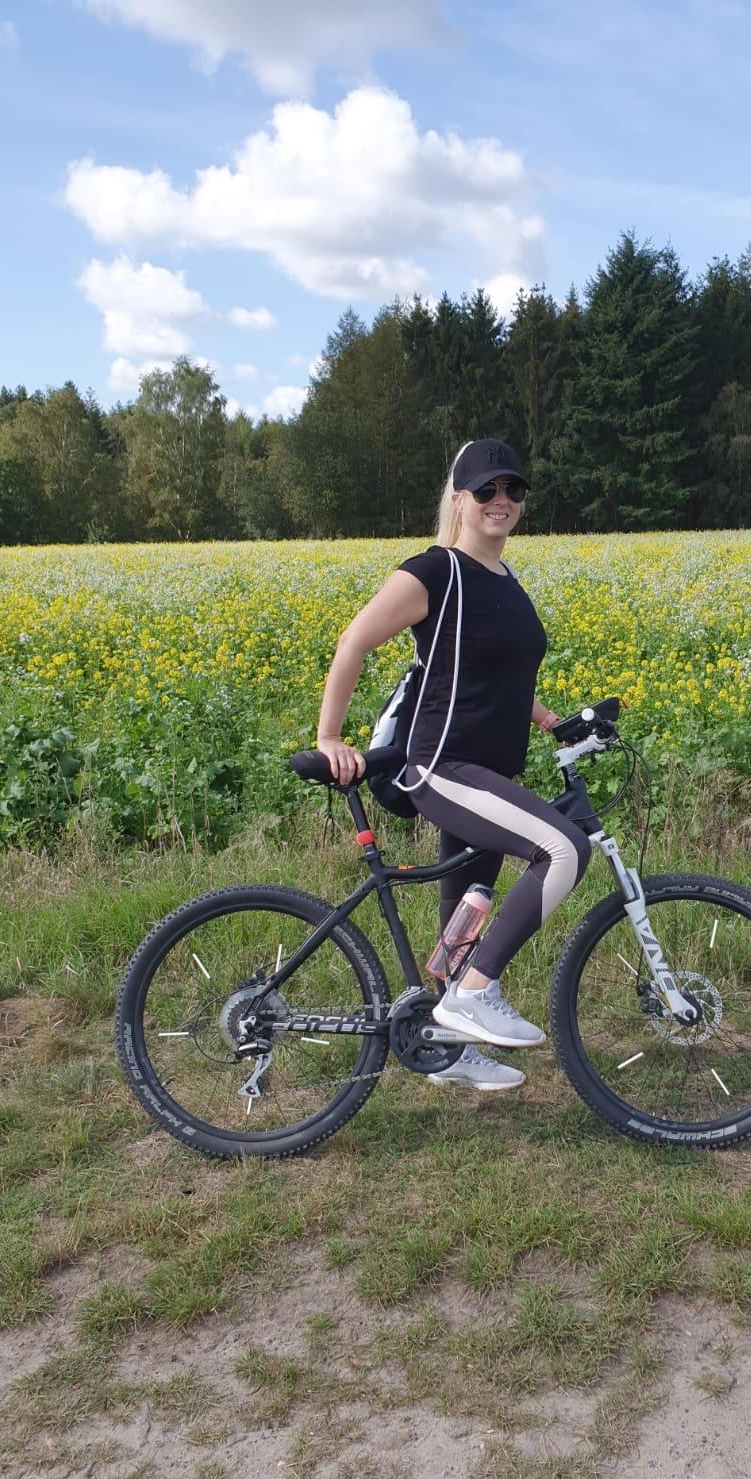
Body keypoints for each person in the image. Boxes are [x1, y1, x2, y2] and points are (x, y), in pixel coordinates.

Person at [315, 438, 592, 1091]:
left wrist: (554, 721)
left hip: (489, 771)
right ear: (460, 499)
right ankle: (474, 991)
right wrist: (329, 736)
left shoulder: (504, 579)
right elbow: (354, 640)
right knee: (564, 849)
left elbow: (496, 675)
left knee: (468, 909)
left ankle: (448, 1046)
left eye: (512, 489)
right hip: (444, 769)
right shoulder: (435, 571)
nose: (502, 500)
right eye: (487, 489)